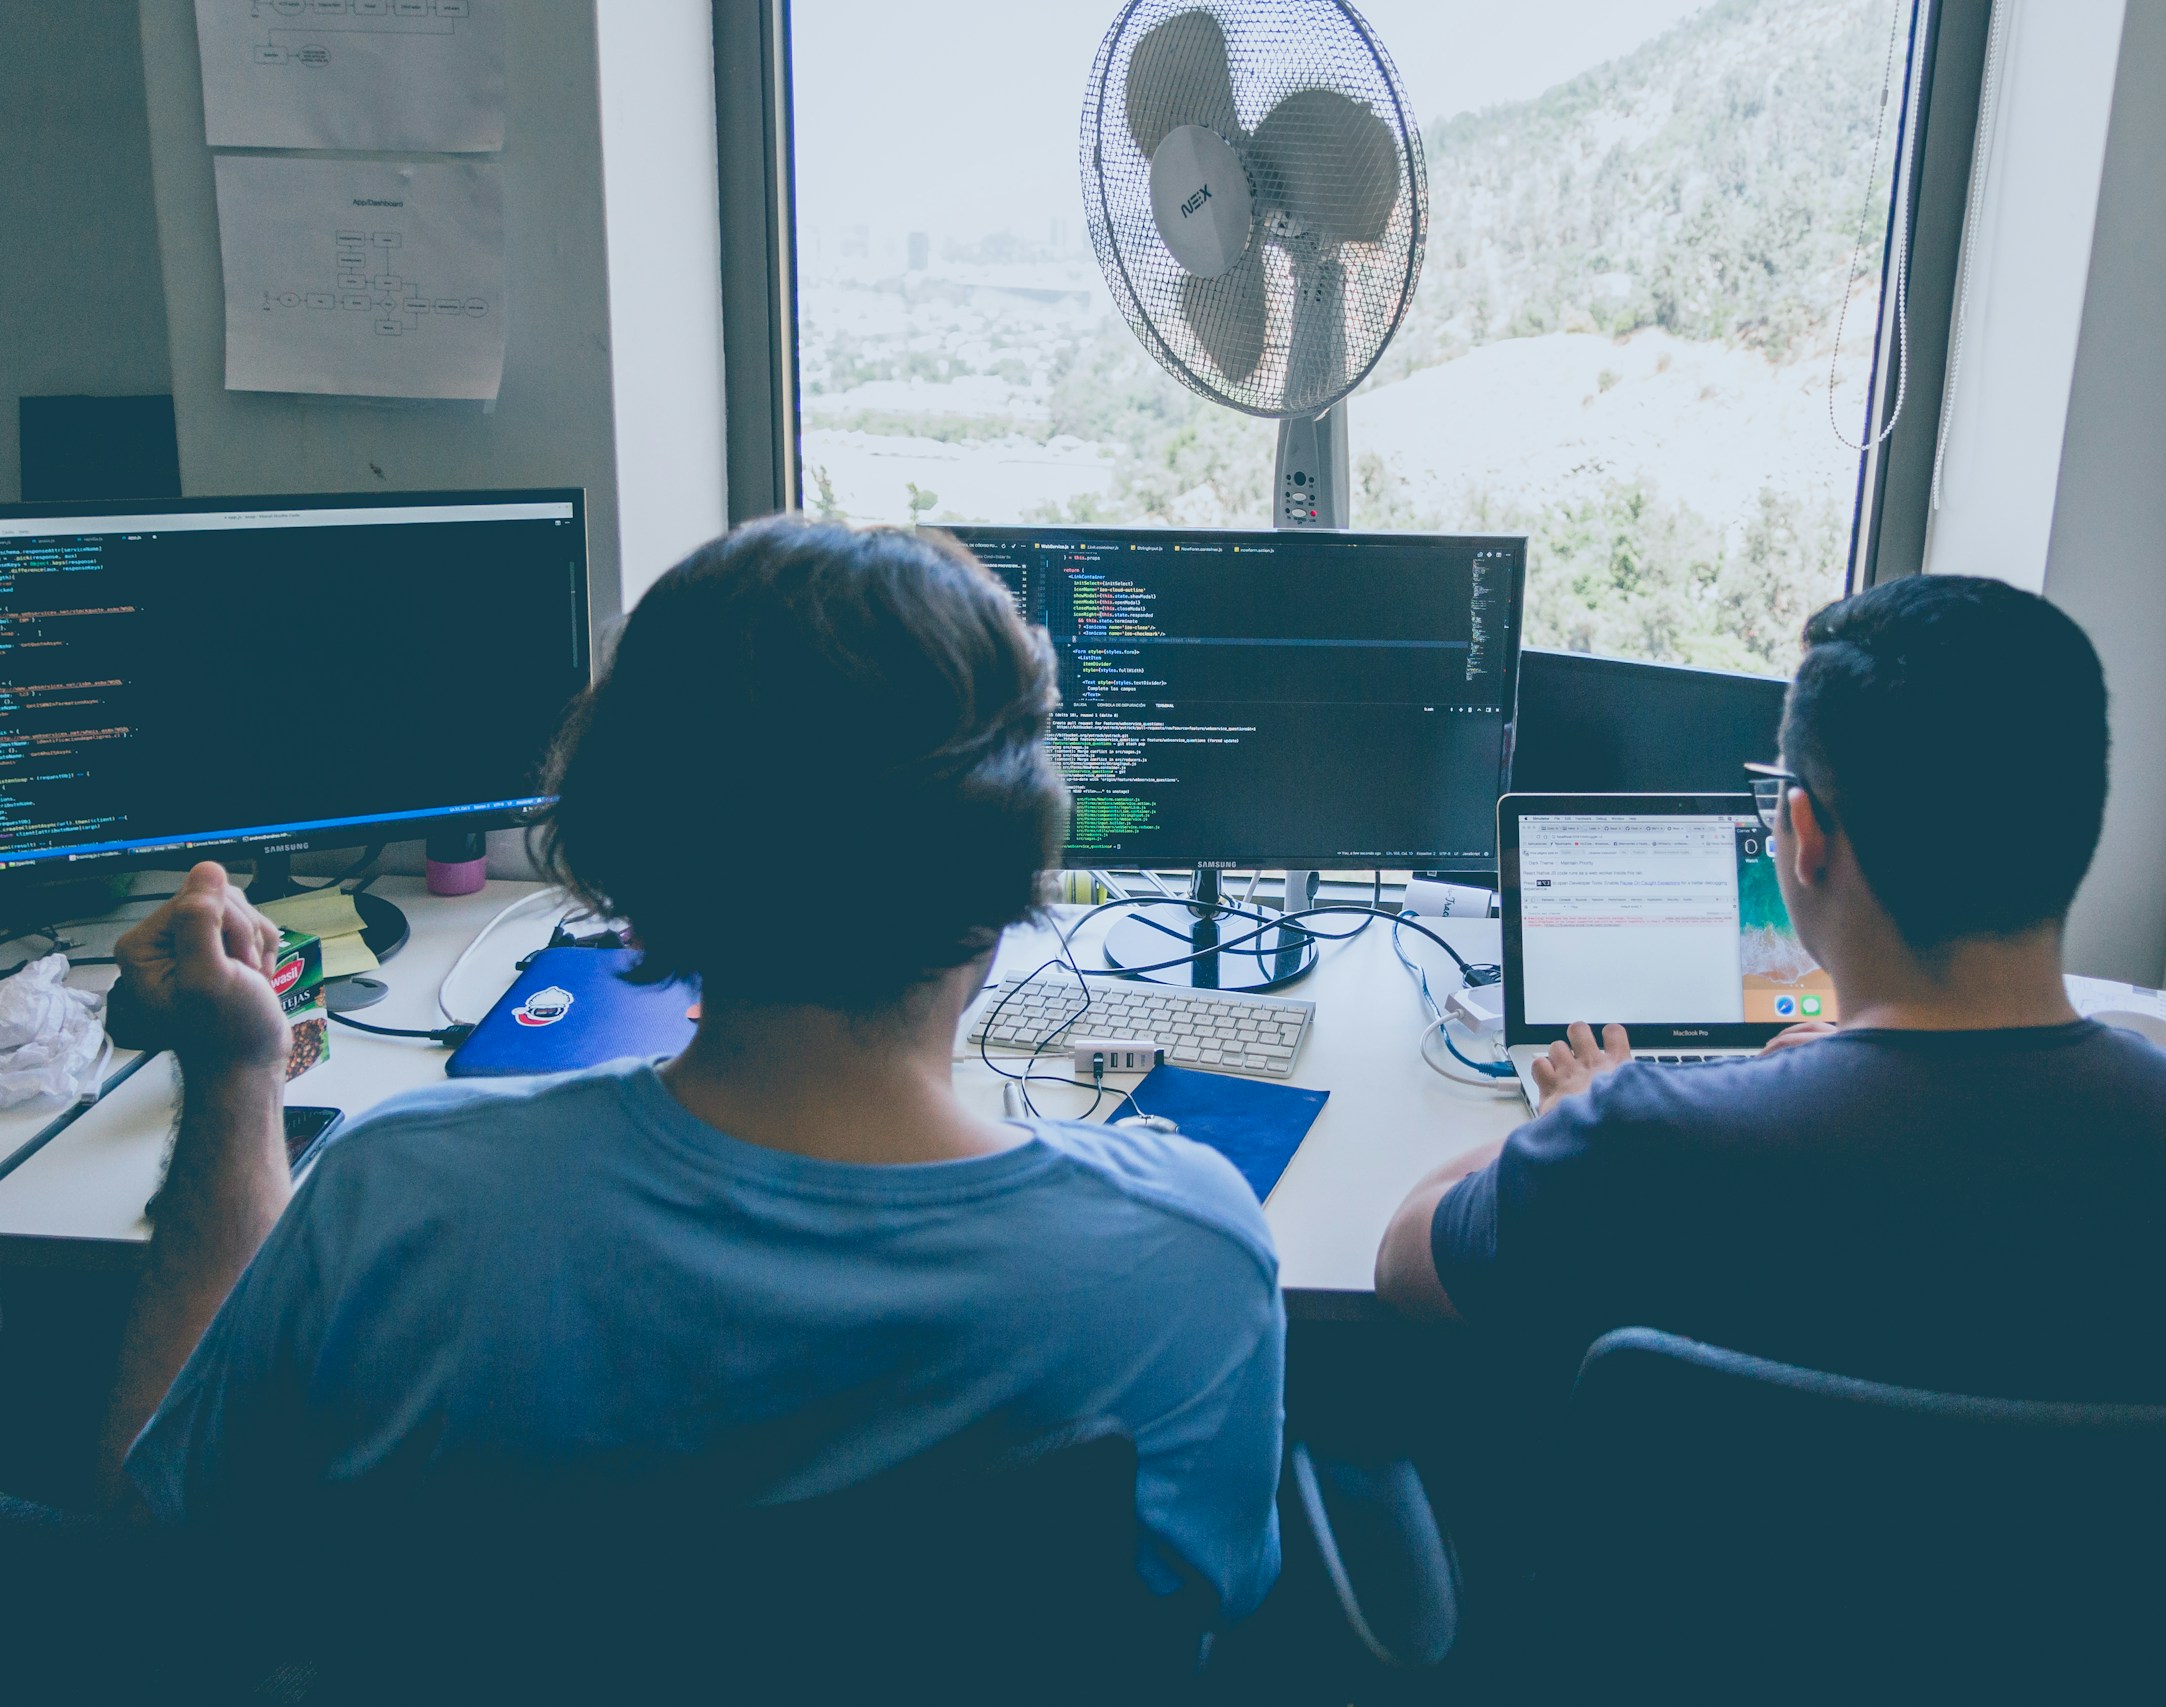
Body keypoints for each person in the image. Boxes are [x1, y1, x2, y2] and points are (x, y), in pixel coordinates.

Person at [97, 518, 1285, 1619]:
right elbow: (1204, 1618)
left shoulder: (398, 1199)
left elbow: (169, 1529)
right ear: (1015, 863)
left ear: (626, 852)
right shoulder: (1186, 1252)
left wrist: (238, 1071)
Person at [1375, 574, 2166, 1404]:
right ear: (2081, 821)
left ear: (1808, 836)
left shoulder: (1637, 1146)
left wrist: (1567, 1115)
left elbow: (1404, 1256)